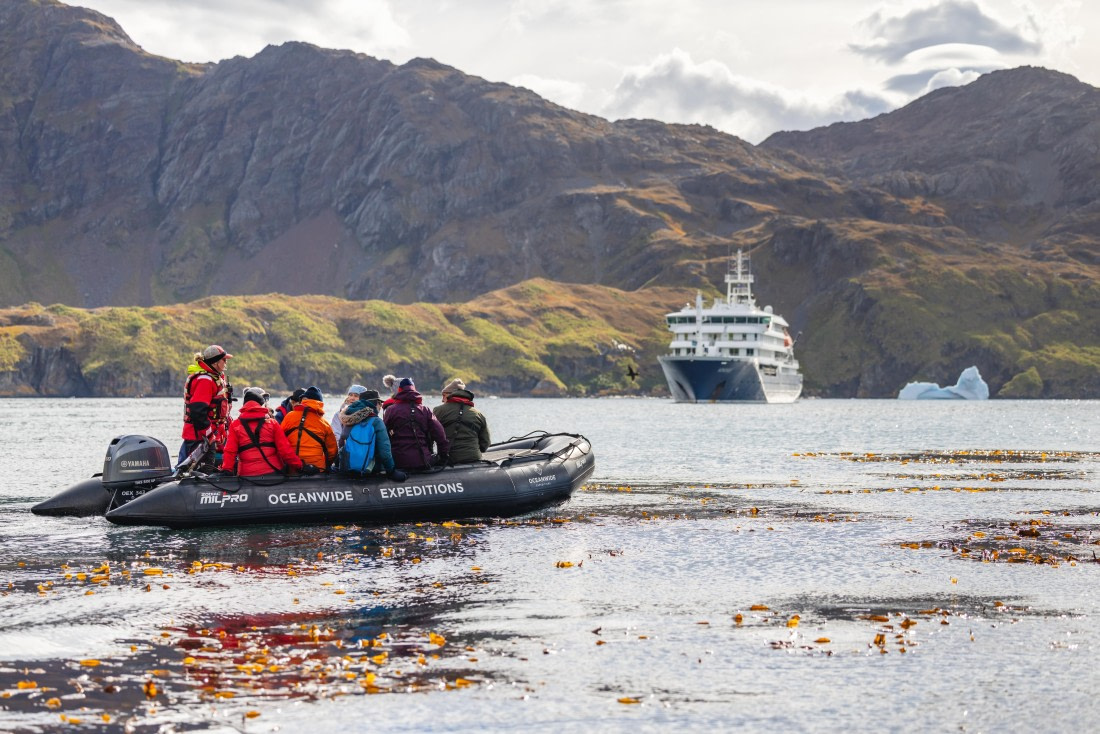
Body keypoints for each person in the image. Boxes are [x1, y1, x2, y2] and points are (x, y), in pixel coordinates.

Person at [219, 387, 304, 477]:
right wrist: (299, 466)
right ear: (261, 404)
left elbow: (230, 451)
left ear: (244, 405)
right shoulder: (272, 423)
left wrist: (227, 470)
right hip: (274, 472)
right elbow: (285, 450)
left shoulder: (235, 425)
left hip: (247, 475)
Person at [180, 344, 233, 466]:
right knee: (188, 470)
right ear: (215, 363)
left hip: (212, 436)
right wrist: (209, 436)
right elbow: (198, 411)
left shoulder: (215, 378)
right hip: (198, 439)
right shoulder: (205, 381)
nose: (226, 363)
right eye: (224, 360)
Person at [382, 377, 450, 471]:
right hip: (423, 460)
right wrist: (443, 457)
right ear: (414, 390)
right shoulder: (425, 410)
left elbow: (382, 436)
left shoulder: (391, 410)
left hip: (398, 461)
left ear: (399, 391)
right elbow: (440, 435)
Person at [339, 389, 406, 480]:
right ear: (374, 403)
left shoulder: (349, 418)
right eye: (379, 402)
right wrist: (392, 471)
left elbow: (342, 441)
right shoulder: (376, 421)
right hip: (369, 469)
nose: (381, 405)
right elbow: (384, 451)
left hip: (347, 467)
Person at [433, 378, 491, 463]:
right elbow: (485, 443)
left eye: (444, 395)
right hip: (474, 458)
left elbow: (429, 436)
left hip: (448, 460)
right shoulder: (478, 414)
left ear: (450, 395)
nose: (442, 400)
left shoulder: (438, 411)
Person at [281, 385, 338, 472]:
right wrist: (327, 465)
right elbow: (332, 451)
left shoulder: (289, 417)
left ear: (302, 401)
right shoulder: (324, 423)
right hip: (317, 469)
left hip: (292, 468)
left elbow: (280, 441)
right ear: (319, 403)